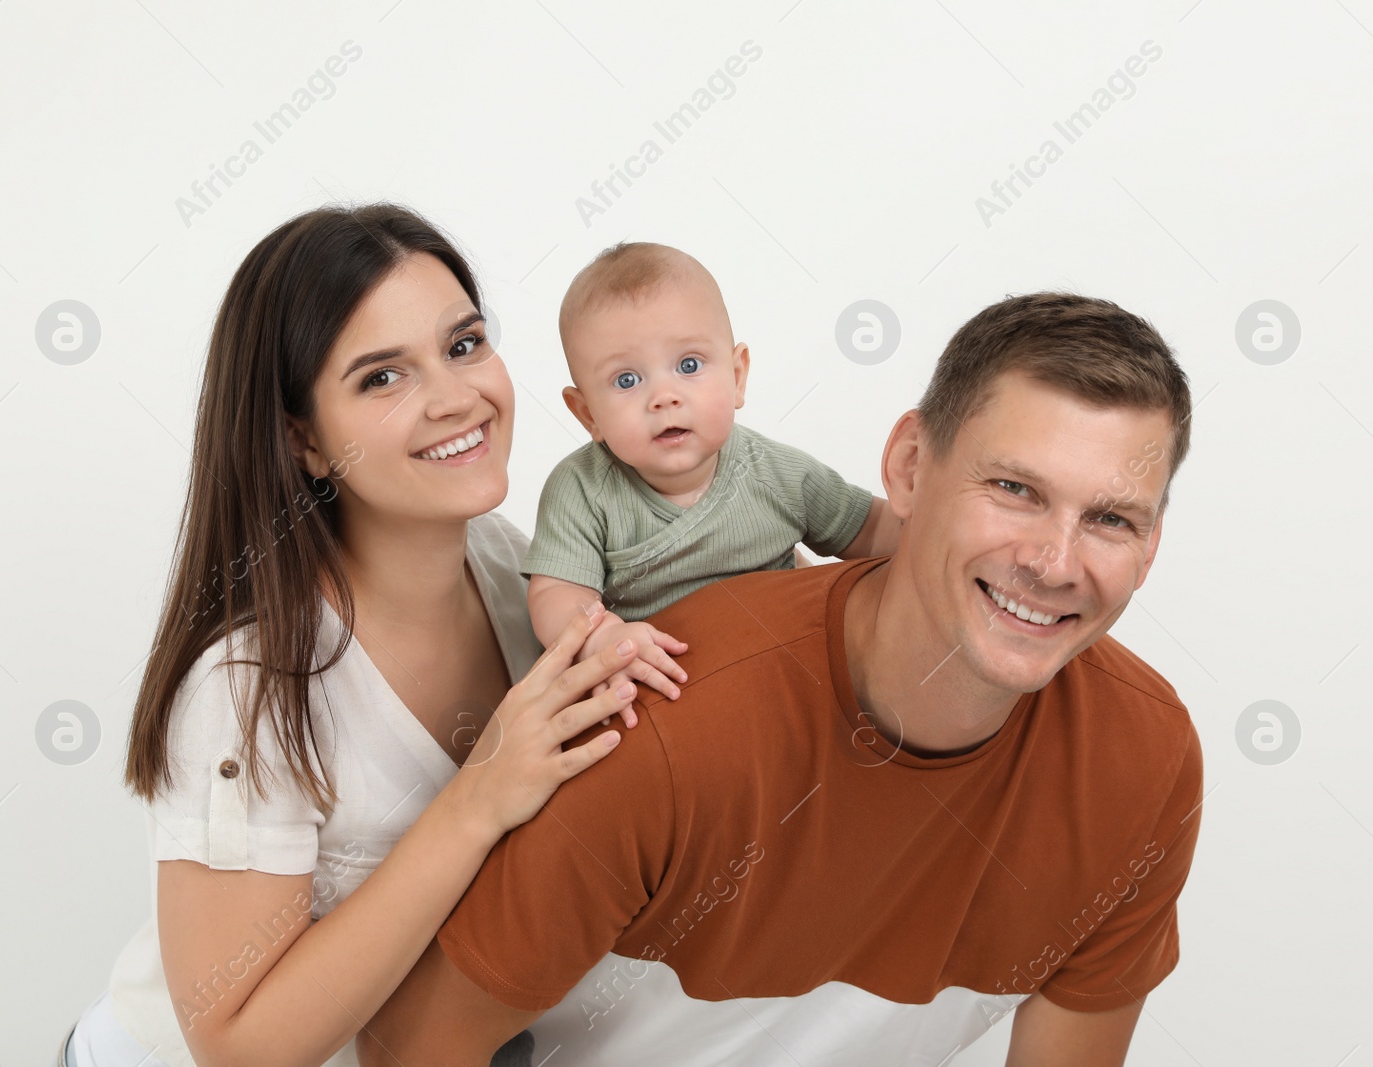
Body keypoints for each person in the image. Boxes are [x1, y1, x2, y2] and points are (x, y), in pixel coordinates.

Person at [357, 292, 1205, 1067]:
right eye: (1015, 489)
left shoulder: (1147, 758)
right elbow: (411, 1053)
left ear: (1152, 543)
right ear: (909, 466)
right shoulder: (665, 722)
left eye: (1109, 518)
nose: (1054, 563)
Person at [58, 204, 648, 1067]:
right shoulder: (246, 687)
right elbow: (239, 1048)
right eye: (382, 377)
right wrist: (480, 794)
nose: (456, 398)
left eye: (463, 343)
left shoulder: (510, 566)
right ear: (302, 438)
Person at [523, 242, 903, 708]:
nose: (664, 396)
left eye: (689, 365)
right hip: (664, 692)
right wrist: (603, 637)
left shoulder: (778, 474)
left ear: (738, 375)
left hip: (789, 678)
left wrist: (935, 531)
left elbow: (871, 530)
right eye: (627, 380)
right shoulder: (583, 490)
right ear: (588, 415)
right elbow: (558, 591)